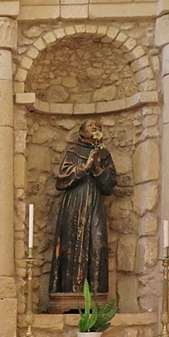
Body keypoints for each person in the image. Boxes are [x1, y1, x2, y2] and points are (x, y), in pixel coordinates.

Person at [49, 120, 119, 295]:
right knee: (71, 243)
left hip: (95, 202)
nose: (95, 127)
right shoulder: (73, 152)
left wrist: (97, 168)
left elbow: (110, 185)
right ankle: (70, 291)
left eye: (98, 126)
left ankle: (96, 293)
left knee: (98, 243)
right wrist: (84, 167)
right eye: (90, 125)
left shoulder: (104, 154)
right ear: (81, 133)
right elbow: (61, 179)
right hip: (75, 202)